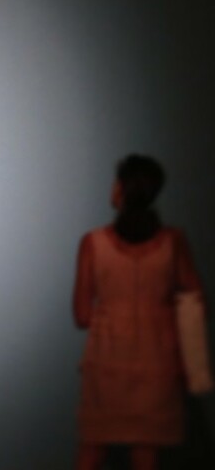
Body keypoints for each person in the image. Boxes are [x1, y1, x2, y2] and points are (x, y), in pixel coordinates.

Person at [73, 154, 206, 470]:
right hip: (158, 359)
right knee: (145, 453)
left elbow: (82, 315)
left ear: (121, 189)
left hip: (107, 359)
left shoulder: (93, 243)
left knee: (92, 451)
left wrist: (112, 314)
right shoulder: (173, 242)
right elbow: (195, 302)